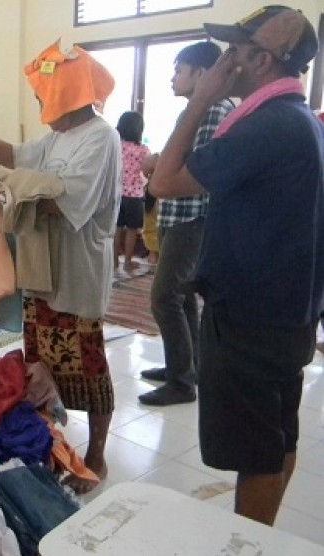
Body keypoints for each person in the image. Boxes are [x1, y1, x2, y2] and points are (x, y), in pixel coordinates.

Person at [151, 6, 323, 526]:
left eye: (236, 50)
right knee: (276, 433)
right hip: (284, 310)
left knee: (257, 449)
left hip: (252, 317)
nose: (226, 61)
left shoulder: (267, 127)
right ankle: (260, 536)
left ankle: (249, 541)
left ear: (262, 59)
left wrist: (200, 101)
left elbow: (163, 180)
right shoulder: (299, 120)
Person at [0, 38, 120, 494]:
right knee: (40, 365)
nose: (41, 102)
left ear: (66, 94)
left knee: (87, 370)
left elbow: (59, 198)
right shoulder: (60, 137)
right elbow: (19, 158)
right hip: (42, 272)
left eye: (45, 94)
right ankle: (45, 443)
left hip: (76, 276)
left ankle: (98, 452)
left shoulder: (101, 138)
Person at [138, 41, 234, 407]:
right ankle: (187, 366)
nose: (172, 78)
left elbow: (196, 167)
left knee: (164, 297)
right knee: (181, 298)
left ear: (201, 73)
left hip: (192, 217)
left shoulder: (211, 111)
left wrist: (158, 164)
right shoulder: (201, 110)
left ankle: (181, 382)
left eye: (179, 70)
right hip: (181, 215)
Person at [114, 111, 149, 273]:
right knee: (132, 230)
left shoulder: (116, 147)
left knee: (116, 228)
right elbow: (147, 171)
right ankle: (127, 262)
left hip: (116, 194)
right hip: (134, 196)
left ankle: (113, 261)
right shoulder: (143, 150)